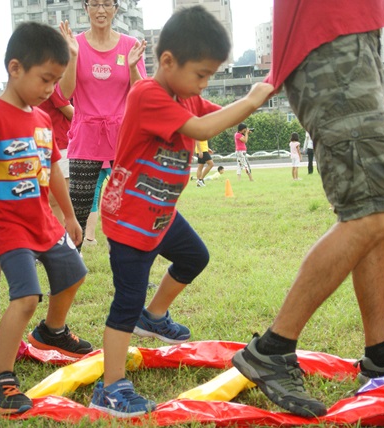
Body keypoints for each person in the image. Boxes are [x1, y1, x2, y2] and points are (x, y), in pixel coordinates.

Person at [232, 0, 384, 418]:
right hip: (329, 40)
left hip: (350, 37)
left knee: (380, 211)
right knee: (370, 214)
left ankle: (382, 354)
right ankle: (272, 349)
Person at [94, 6, 273, 417]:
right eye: (201, 74)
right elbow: (203, 129)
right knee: (126, 302)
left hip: (159, 214)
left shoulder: (186, 95)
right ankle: (110, 388)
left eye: (210, 75)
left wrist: (264, 90)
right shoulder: (147, 95)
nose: (204, 84)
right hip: (130, 219)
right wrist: (251, 98)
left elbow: (213, 114)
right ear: (168, 61)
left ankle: (154, 316)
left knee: (194, 257)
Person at [0, 22, 93, 414]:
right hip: (10, 228)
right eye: (45, 79)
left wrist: (70, 215)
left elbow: (53, 169)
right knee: (25, 298)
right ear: (15, 68)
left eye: (56, 81)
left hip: (44, 221)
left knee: (74, 274)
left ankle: (52, 332)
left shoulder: (43, 120)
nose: (50, 89)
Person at [57, 3, 147, 246]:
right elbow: (64, 93)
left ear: (115, 8)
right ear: (86, 7)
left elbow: (141, 94)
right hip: (86, 137)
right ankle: (71, 263)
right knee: (78, 209)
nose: (101, 10)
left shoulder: (130, 45)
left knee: (130, 209)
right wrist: (72, 56)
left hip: (123, 138)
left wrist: (132, 67)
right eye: (95, 4)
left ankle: (130, 265)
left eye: (107, 4)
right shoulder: (74, 44)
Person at [38, 85, 74, 225]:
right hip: (58, 143)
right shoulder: (52, 84)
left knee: (55, 200)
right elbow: (72, 114)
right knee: (57, 199)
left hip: (50, 143)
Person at [82, 160, 111, 246]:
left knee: (127, 195)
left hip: (113, 158)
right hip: (98, 159)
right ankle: (89, 239)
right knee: (91, 197)